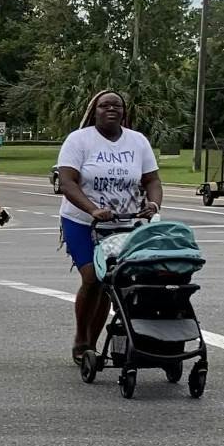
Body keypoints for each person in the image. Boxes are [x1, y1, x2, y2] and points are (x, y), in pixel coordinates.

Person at [56, 90, 162, 364]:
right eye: (104, 105)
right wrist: (92, 208)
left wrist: (153, 204)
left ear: (124, 111)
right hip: (82, 221)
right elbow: (67, 182)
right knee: (92, 277)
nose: (111, 109)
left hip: (124, 222)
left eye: (117, 105)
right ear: (94, 110)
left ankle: (94, 342)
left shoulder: (137, 141)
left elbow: (152, 180)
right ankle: (81, 339)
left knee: (109, 282)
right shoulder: (79, 140)